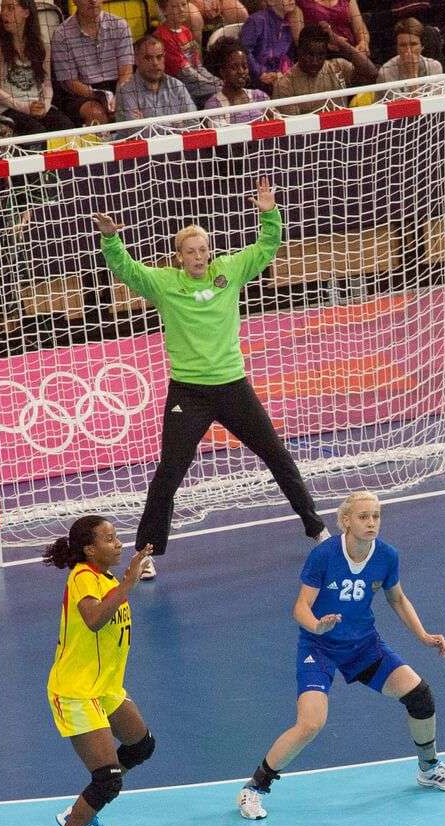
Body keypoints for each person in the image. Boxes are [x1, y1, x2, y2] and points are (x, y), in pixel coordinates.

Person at [92, 177, 329, 578]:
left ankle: (317, 528)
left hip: (233, 387)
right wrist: (112, 240)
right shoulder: (165, 285)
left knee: (277, 455)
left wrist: (269, 213)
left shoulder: (229, 272)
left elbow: (265, 247)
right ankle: (146, 553)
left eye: (203, 249)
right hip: (190, 392)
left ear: (209, 252)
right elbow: (126, 269)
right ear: (179, 257)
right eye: (190, 251)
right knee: (170, 471)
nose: (198, 256)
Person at [237, 492, 445, 820]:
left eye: (376, 516)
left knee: (420, 696)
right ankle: (254, 788)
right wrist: (317, 626)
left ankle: (429, 769)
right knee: (311, 723)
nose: (371, 522)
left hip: (363, 646)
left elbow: (398, 599)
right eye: (363, 517)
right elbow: (299, 606)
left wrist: (424, 636)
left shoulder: (386, 556)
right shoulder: (324, 556)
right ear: (346, 521)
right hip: (319, 647)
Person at [36, 516, 159, 826]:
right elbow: (93, 619)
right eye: (109, 539)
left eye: (117, 537)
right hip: (76, 691)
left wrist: (122, 583)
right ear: (90, 549)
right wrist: (129, 582)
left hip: (104, 688)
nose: (118, 543)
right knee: (106, 779)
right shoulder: (83, 577)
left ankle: (84, 809)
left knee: (140, 745)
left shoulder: (104, 579)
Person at [51, 0, 135, 127]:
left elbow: (126, 71)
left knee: (134, 106)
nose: (93, 1)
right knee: (96, 113)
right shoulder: (61, 35)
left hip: (118, 85)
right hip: (80, 91)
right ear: (74, 1)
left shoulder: (120, 25)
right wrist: (99, 96)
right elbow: (70, 82)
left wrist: (119, 96)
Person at [271, 23, 378, 114]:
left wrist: (338, 41)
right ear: (299, 51)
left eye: (320, 55)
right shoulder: (284, 85)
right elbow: (294, 129)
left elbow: (371, 72)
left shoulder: (338, 67)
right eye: (310, 55)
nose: (315, 61)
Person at [0, 0, 60, 136]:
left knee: (65, 127)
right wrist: (25, 107)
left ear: (26, 12)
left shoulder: (42, 47)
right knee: (36, 132)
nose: (4, 13)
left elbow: (47, 85)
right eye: (3, 8)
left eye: (10, 8)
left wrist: (45, 107)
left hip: (36, 105)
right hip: (9, 108)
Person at [116, 34, 196, 122]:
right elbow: (139, 131)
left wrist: (148, 123)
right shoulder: (126, 91)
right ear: (136, 60)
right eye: (148, 58)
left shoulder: (177, 86)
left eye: (159, 57)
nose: (155, 63)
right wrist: (177, 124)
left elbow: (194, 123)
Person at [154, 0, 220, 102]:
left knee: (224, 86)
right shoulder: (162, 36)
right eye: (174, 6)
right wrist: (213, 84)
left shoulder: (186, 31)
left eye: (184, 5)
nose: (181, 10)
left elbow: (197, 65)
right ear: (164, 10)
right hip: (177, 85)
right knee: (222, 92)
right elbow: (184, 72)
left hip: (195, 81)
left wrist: (215, 80)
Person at [202, 37, 270, 121]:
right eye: (234, 67)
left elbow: (278, 125)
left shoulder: (260, 96)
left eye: (244, 66)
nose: (241, 71)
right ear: (222, 71)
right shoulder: (214, 105)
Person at [241, 0, 302, 92]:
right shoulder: (257, 20)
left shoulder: (293, 22)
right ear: (270, 2)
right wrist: (260, 73)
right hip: (256, 81)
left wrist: (282, 74)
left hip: (281, 78)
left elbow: (291, 57)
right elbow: (244, 51)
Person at [295, 0, 370, 58]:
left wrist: (363, 42)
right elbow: (298, 39)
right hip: (320, 55)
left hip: (351, 51)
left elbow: (360, 27)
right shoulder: (300, 2)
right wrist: (327, 45)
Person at [376, 17, 441, 82]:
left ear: (422, 46)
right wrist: (412, 75)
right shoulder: (385, 72)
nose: (408, 51)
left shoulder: (434, 66)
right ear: (397, 48)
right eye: (403, 45)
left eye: (413, 44)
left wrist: (413, 74)